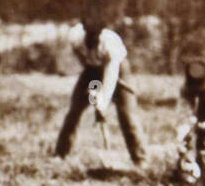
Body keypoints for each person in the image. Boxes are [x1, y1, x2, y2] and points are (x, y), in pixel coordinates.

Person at [54, 17, 147, 166]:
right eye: (88, 35)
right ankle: (60, 154)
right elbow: (78, 59)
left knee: (127, 114)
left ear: (101, 34)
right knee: (74, 111)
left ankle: (140, 159)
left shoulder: (110, 44)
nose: (92, 40)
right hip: (92, 72)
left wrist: (102, 102)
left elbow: (110, 77)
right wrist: (93, 90)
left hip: (118, 72)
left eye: (95, 37)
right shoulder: (75, 37)